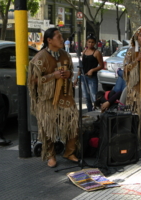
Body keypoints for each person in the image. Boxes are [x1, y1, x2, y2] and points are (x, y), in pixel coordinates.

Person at [28, 28, 79, 167]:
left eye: (62, 36)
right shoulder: (39, 58)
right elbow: (32, 81)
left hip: (65, 96)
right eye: (59, 37)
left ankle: (69, 152)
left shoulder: (66, 56)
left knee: (73, 123)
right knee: (48, 128)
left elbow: (71, 72)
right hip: (47, 99)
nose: (62, 39)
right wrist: (52, 76)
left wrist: (69, 74)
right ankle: (50, 155)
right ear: (49, 40)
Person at [73, 34, 104, 111]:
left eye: (92, 42)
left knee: (94, 97)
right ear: (86, 42)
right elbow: (81, 66)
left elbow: (101, 65)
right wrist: (76, 78)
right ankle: (90, 112)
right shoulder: (84, 52)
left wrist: (92, 70)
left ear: (95, 43)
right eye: (89, 42)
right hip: (83, 77)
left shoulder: (97, 53)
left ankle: (97, 113)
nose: (90, 44)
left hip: (92, 78)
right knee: (86, 97)